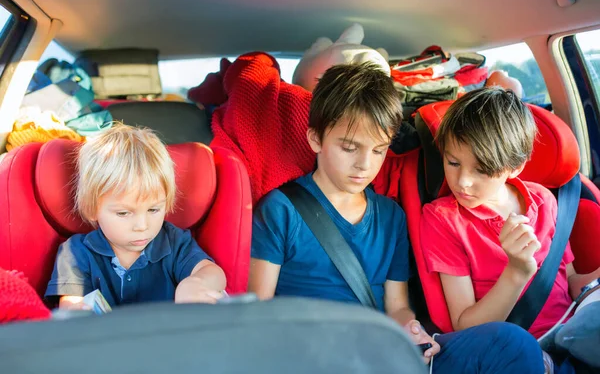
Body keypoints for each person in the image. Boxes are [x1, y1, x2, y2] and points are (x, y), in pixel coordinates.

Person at [250, 63, 545, 374]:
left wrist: (410, 329)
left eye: (379, 150)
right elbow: (257, 313)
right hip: (314, 355)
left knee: (512, 344)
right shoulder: (281, 210)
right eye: (350, 148)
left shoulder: (391, 217)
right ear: (315, 139)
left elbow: (397, 306)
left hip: (384, 353)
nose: (364, 165)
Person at [420, 87, 600, 372]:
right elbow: (464, 324)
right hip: (508, 349)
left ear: (515, 167)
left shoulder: (545, 200)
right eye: (453, 162)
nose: (463, 181)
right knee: (518, 345)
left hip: (569, 333)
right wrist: (516, 271)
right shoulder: (443, 218)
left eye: (481, 170)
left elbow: (570, 280)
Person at [45, 124, 226, 309]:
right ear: (92, 209)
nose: (142, 226)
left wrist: (196, 284)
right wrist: (79, 311)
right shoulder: (76, 252)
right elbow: (71, 305)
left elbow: (212, 272)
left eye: (153, 210)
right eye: (123, 213)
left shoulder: (174, 243)